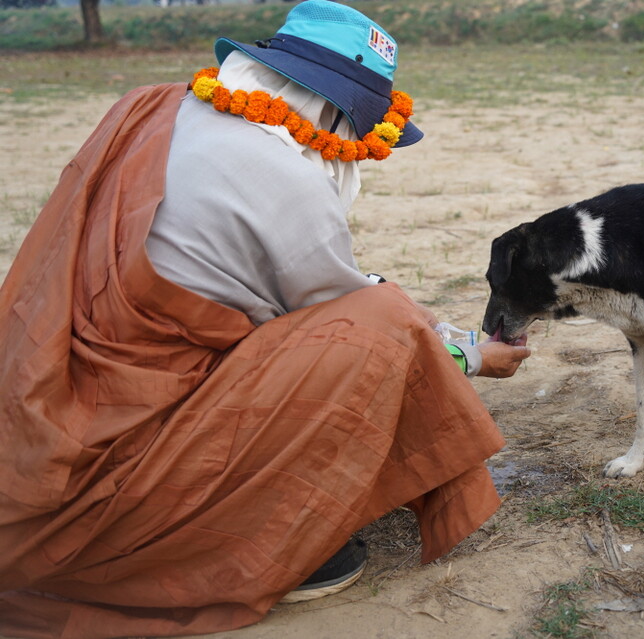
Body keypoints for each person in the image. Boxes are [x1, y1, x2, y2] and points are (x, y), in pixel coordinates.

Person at [0, 1, 531, 637]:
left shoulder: (153, 106)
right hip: (129, 451)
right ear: (333, 114)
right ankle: (262, 542)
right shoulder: (289, 181)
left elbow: (323, 284)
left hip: (48, 406)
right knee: (383, 322)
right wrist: (472, 356)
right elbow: (366, 328)